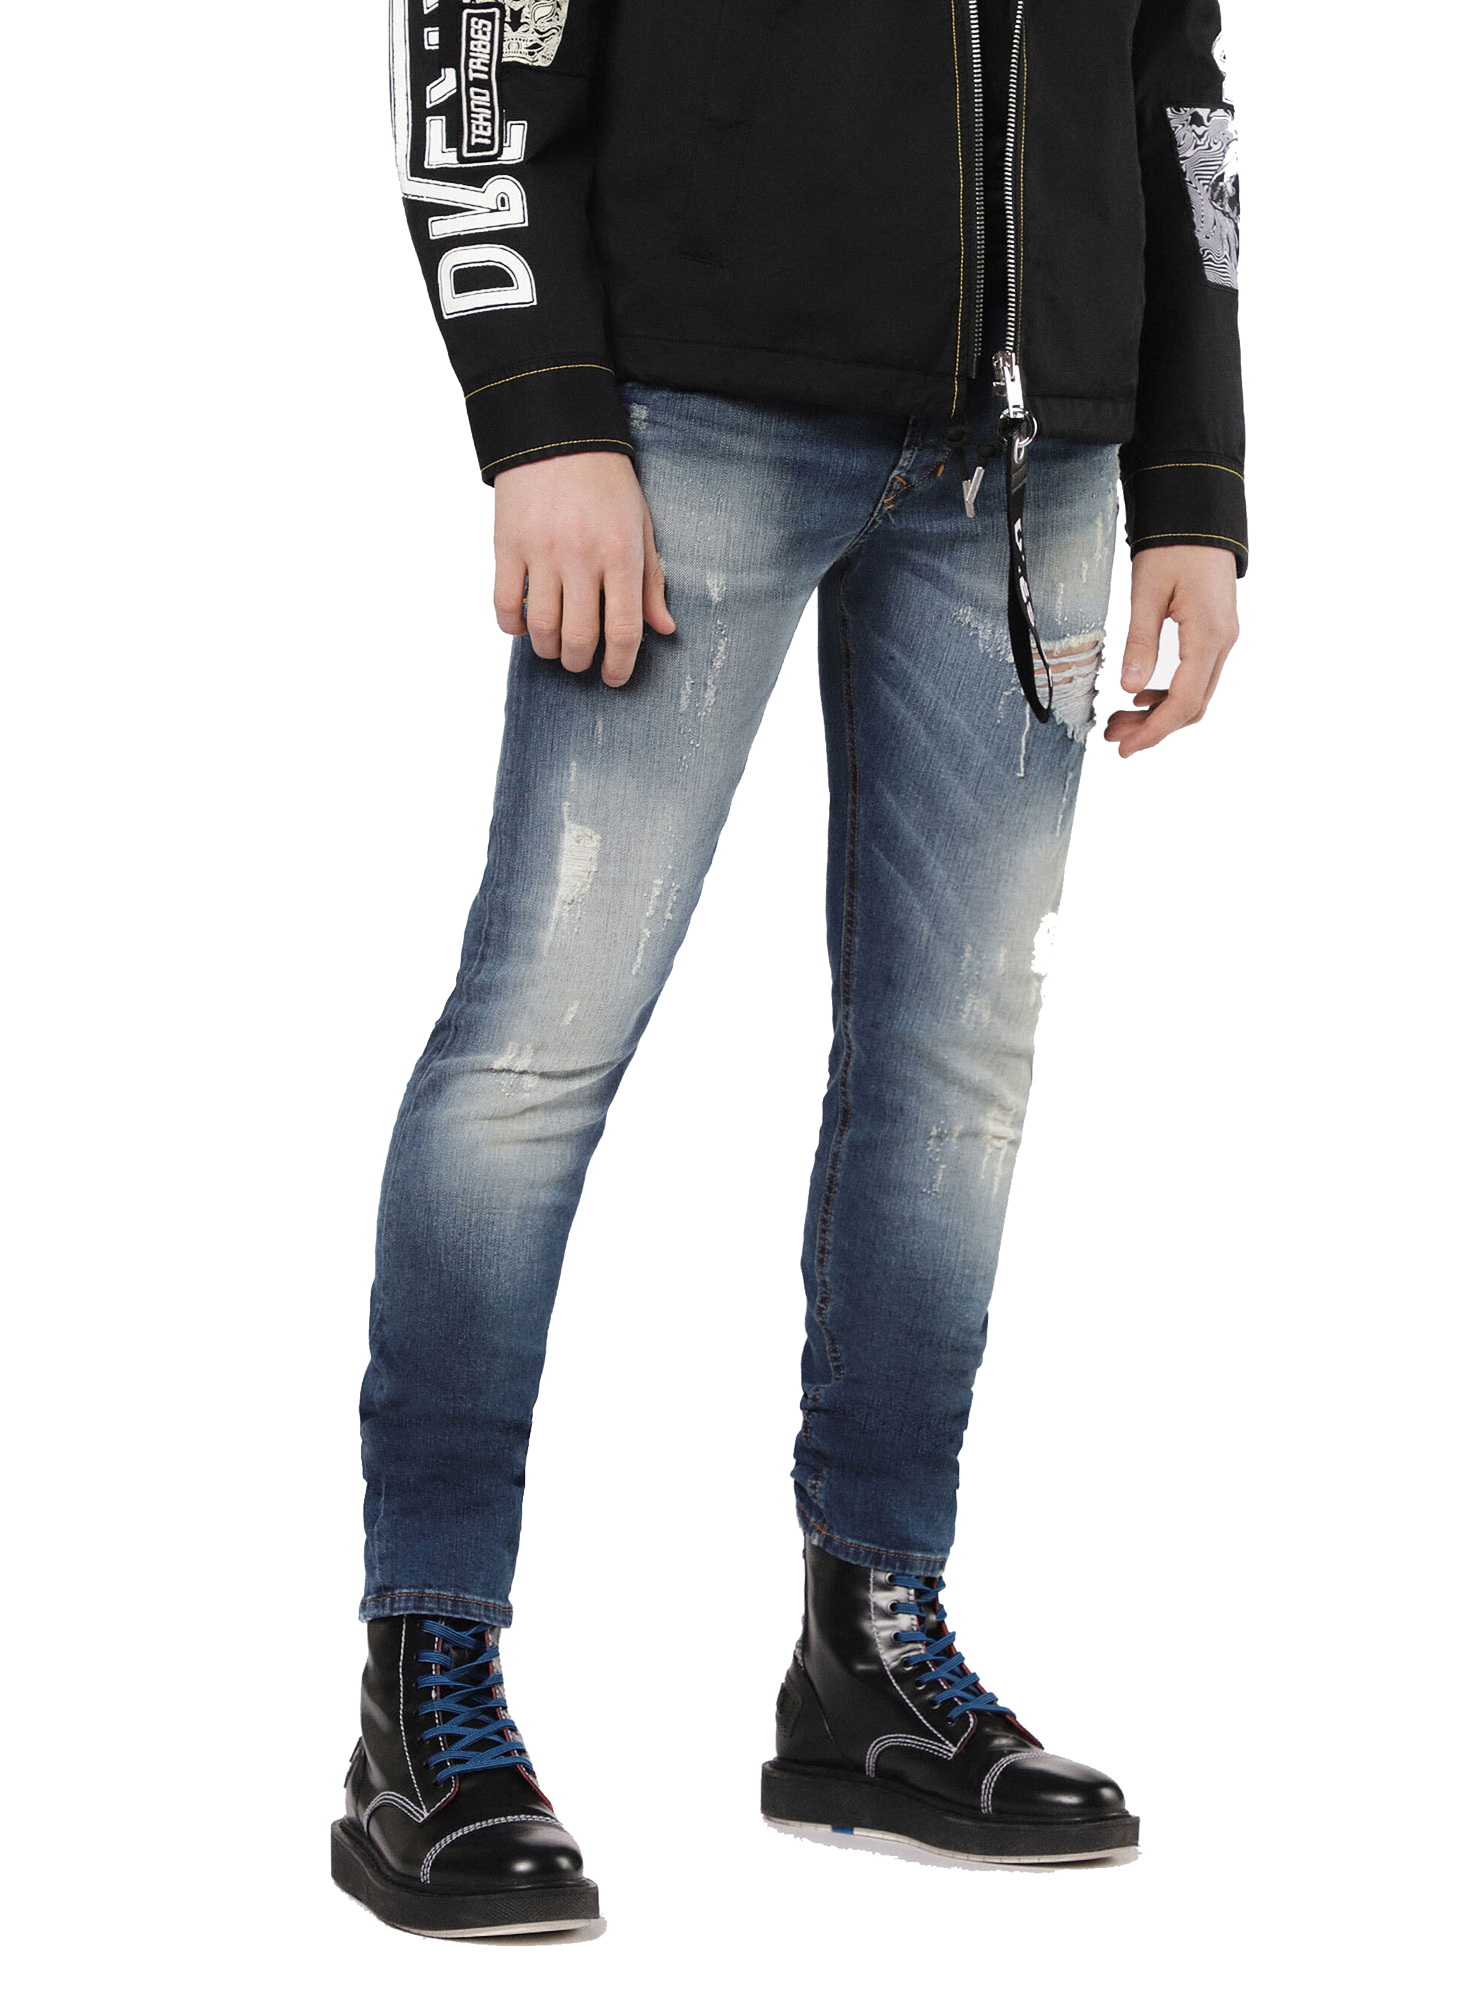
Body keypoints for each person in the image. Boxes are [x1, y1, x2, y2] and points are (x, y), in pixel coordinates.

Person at [331, 0, 1245, 1937]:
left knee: (954, 1076)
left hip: (1040, 455)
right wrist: (538, 396)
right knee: (540, 1041)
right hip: (688, 415)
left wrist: (1196, 461)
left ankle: (872, 1657)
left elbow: (1178, 61)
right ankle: (425, 1685)